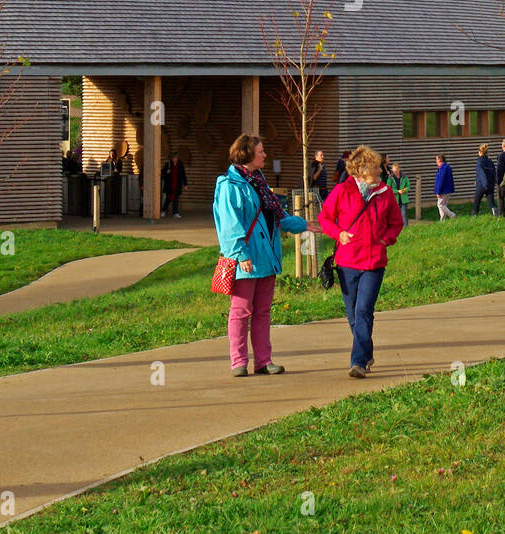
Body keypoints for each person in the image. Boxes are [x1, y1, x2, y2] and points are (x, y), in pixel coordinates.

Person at [213, 134, 321, 376]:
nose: (264, 155)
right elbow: (230, 224)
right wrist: (241, 255)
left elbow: (277, 217)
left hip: (267, 258)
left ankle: (263, 361)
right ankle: (238, 362)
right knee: (240, 311)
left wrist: (302, 224)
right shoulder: (229, 186)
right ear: (247, 154)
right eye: (260, 151)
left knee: (262, 312)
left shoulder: (259, 182)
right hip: (246, 259)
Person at [318, 144, 404, 378]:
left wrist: (387, 239)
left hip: (374, 262)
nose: (380, 170)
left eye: (379, 166)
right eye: (375, 166)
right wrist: (339, 234)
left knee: (364, 310)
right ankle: (366, 352)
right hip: (347, 262)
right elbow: (325, 218)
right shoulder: (342, 191)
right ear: (361, 170)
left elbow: (396, 223)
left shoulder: (385, 193)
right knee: (353, 314)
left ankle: (357, 362)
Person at [472, 144, 498, 216]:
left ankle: (474, 216)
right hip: (490, 185)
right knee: (491, 202)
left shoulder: (479, 161)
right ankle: (496, 216)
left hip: (481, 185)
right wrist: (494, 182)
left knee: (477, 202)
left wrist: (484, 184)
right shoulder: (490, 162)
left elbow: (481, 173)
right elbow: (493, 172)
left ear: (480, 152)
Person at [162, 152, 188, 217]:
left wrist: (185, 184)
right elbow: (162, 174)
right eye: (173, 158)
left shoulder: (180, 165)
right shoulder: (168, 164)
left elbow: (183, 175)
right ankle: (164, 211)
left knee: (176, 199)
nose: (175, 159)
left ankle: (175, 213)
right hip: (169, 185)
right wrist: (166, 172)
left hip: (177, 184)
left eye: (176, 158)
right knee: (168, 199)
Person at [434, 153, 455, 219]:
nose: (436, 161)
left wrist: (438, 192)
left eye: (436, 159)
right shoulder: (447, 167)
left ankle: (452, 215)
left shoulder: (442, 168)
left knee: (440, 205)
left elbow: (440, 181)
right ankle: (442, 220)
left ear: (440, 159)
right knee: (444, 205)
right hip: (448, 189)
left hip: (443, 190)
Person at [389, 161, 410, 226]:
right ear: (392, 170)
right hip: (395, 200)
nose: (395, 171)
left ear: (399, 169)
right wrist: (397, 191)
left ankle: (406, 228)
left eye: (397, 170)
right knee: (395, 215)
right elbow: (389, 189)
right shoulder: (390, 178)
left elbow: (408, 186)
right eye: (394, 170)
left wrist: (404, 190)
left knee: (404, 214)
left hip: (403, 199)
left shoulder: (404, 177)